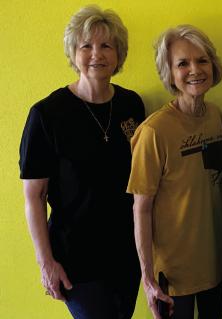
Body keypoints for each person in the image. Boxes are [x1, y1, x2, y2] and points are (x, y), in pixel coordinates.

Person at [19, 5, 144, 319]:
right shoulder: (47, 114)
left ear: (119, 54)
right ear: (73, 52)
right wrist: (46, 264)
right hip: (76, 262)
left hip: (126, 256)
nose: (96, 54)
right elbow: (34, 197)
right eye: (86, 45)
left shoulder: (132, 105)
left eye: (106, 45)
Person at [127, 25, 222, 319]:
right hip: (172, 277)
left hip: (213, 266)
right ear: (169, 73)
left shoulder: (215, 116)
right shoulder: (153, 132)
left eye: (202, 60)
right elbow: (141, 209)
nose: (195, 70)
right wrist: (147, 279)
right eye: (182, 63)